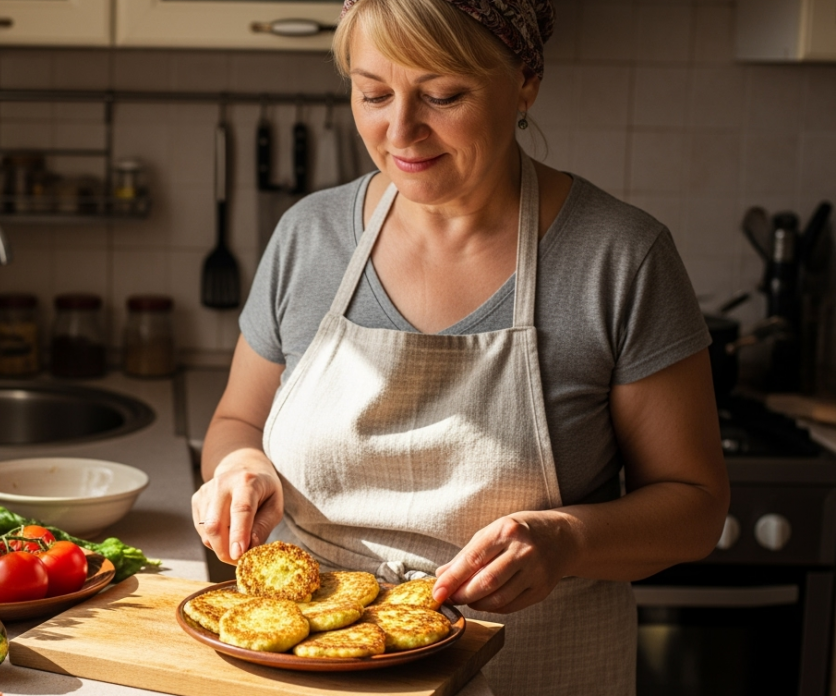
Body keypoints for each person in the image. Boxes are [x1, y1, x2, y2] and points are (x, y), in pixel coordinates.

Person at [190, 0, 730, 693]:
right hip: (309, 675)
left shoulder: (620, 259)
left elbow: (694, 507)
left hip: (536, 668)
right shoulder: (309, 235)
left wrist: (567, 541)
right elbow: (239, 421)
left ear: (525, 80)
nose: (401, 130)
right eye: (372, 93)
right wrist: (239, 468)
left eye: (442, 95)